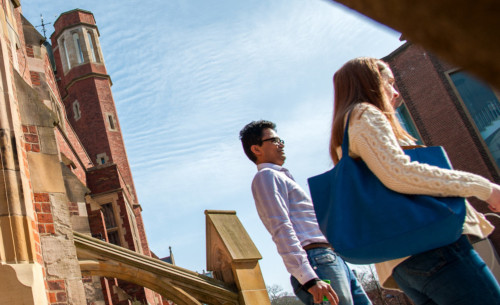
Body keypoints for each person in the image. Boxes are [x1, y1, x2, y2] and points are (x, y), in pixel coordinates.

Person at [329, 57, 500, 305]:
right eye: (389, 82)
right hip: (434, 247)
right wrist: (485, 188)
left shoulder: (345, 130)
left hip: (403, 261)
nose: (396, 92)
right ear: (371, 83)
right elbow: (399, 173)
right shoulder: (365, 114)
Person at [239, 121, 372, 305]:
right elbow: (280, 227)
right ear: (256, 149)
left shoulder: (281, 176)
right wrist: (308, 277)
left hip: (331, 258)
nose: (281, 144)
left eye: (281, 140)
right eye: (274, 140)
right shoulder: (266, 176)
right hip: (317, 261)